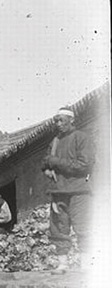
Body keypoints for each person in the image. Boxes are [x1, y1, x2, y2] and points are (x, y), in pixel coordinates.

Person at [41, 107, 96, 272]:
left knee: (83, 226)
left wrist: (55, 162)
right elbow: (44, 162)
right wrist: (47, 170)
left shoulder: (81, 137)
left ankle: (86, 264)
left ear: (72, 120)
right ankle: (62, 264)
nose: (58, 124)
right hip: (58, 191)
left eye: (61, 120)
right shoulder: (55, 141)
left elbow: (84, 165)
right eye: (56, 120)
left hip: (78, 190)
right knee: (58, 228)